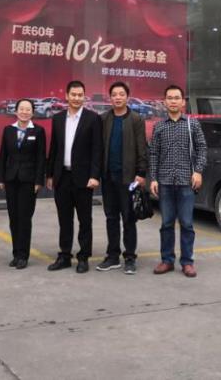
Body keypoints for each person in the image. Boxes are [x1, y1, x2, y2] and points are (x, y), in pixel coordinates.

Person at [148, 84, 207, 278]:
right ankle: (167, 260)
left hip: (186, 182)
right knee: (166, 224)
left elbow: (202, 149)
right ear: (164, 102)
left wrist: (198, 171)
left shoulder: (192, 124)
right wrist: (153, 178)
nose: (173, 101)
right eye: (170, 98)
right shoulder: (159, 126)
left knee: (187, 224)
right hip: (165, 182)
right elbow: (154, 154)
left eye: (176, 98)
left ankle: (187, 262)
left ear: (183, 102)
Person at [46, 80, 102, 273]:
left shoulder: (93, 118)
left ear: (84, 97)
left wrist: (95, 175)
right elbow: (54, 148)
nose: (77, 98)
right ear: (67, 96)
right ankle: (64, 255)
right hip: (62, 177)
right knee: (64, 219)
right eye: (74, 95)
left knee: (85, 220)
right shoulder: (58, 118)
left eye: (80, 95)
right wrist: (50, 174)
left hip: (84, 178)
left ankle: (84, 257)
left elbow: (97, 150)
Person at [97, 81, 147, 275]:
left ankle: (130, 257)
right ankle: (112, 256)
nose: (117, 97)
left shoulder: (136, 119)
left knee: (128, 218)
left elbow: (142, 148)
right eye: (114, 94)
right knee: (111, 217)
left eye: (121, 94)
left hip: (129, 179)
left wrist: (141, 173)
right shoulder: (104, 119)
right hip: (108, 177)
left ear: (127, 97)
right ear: (110, 98)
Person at [0, 99, 46, 270]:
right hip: (11, 179)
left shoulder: (38, 131)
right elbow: (3, 155)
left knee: (24, 218)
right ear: (16, 111)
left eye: (28, 109)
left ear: (32, 112)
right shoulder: (8, 130)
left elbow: (41, 157)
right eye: (21, 109)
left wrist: (39, 180)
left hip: (29, 181)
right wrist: (0, 178)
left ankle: (23, 255)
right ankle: (16, 253)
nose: (24, 112)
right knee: (13, 218)